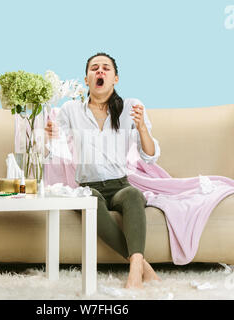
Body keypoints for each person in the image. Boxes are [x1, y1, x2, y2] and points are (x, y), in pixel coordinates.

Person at [45, 52, 161, 288]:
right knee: (90, 201)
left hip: (120, 184)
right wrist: (52, 137)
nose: (100, 71)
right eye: (94, 68)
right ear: (86, 79)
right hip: (88, 187)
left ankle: (135, 271)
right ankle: (141, 265)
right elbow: (59, 151)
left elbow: (149, 156)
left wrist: (141, 129)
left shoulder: (131, 107)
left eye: (106, 68)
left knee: (133, 195)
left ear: (115, 78)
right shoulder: (70, 110)